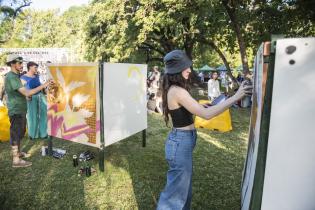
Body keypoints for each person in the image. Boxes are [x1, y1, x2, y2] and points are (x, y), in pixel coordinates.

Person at [157, 50, 252, 210]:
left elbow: (190, 109)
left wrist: (202, 106)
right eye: (185, 67)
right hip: (180, 143)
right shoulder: (177, 91)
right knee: (174, 197)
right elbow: (207, 115)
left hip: (182, 142)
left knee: (183, 191)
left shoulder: (176, 89)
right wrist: (236, 97)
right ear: (176, 71)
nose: (189, 70)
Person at [4, 55, 53, 168]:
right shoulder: (11, 77)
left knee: (20, 132)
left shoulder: (16, 76)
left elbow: (21, 93)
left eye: (22, 63)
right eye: (19, 63)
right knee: (16, 134)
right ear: (12, 63)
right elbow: (27, 92)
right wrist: (44, 85)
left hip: (20, 109)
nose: (21, 65)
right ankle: (16, 161)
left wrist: (27, 97)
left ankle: (18, 153)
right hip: (16, 110)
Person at [20, 61, 48, 139]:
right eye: (35, 67)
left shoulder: (37, 76)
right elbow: (21, 91)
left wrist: (45, 92)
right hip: (31, 98)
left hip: (41, 97)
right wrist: (25, 97)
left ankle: (43, 133)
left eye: (37, 67)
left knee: (43, 115)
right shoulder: (23, 78)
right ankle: (32, 134)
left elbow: (41, 87)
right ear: (30, 67)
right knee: (32, 116)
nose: (36, 69)